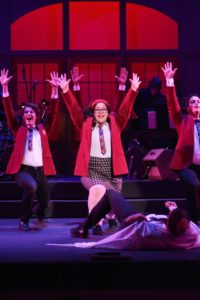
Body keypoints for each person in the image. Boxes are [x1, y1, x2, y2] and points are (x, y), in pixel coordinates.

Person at [58, 69, 141, 235]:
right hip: (91, 169)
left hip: (111, 171)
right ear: (93, 113)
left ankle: (109, 218)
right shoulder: (85, 124)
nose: (101, 111)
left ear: (108, 112)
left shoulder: (115, 124)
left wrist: (132, 90)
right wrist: (66, 91)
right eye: (97, 109)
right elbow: (74, 110)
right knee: (97, 190)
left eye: (104, 109)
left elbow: (124, 108)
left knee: (110, 199)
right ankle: (93, 224)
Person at [0, 69, 59, 231]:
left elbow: (53, 114)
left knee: (45, 199)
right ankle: (23, 220)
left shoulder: (43, 128)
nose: (28, 114)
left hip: (40, 170)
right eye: (25, 112)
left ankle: (39, 215)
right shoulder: (18, 129)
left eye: (31, 112)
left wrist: (55, 91)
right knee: (31, 187)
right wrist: (4, 89)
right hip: (22, 170)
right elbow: (9, 113)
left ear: (36, 115)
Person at [69, 190, 200, 250]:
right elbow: (178, 224)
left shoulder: (154, 232)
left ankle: (83, 227)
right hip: (142, 222)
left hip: (131, 226)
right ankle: (84, 226)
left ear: (169, 226)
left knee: (111, 194)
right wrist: (173, 209)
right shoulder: (191, 233)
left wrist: (131, 218)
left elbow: (132, 232)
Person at [161, 62, 200, 224]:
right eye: (193, 101)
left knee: (193, 190)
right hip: (186, 164)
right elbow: (172, 105)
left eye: (198, 101)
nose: (197, 103)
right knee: (193, 184)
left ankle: (191, 218)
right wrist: (170, 82)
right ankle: (195, 220)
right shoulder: (183, 120)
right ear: (187, 106)